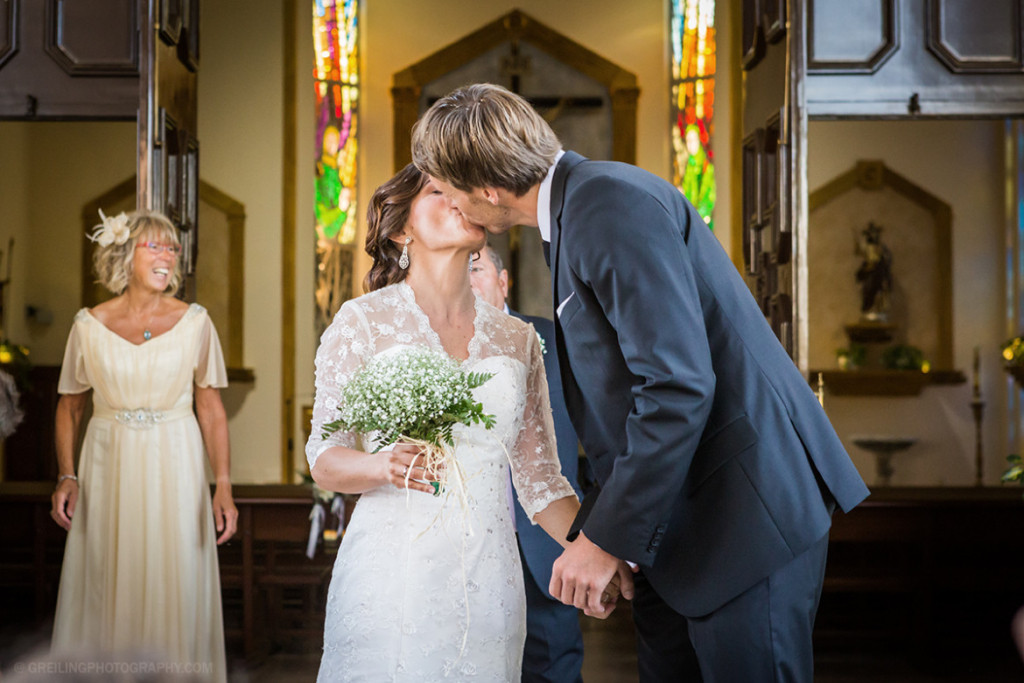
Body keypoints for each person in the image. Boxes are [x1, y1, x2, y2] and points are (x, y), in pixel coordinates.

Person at [412, 83, 871, 682]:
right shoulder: (578, 213)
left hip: (740, 518)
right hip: (683, 530)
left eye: (448, 191)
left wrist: (605, 540)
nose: (451, 205)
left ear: (489, 190)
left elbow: (678, 385)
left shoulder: (606, 203)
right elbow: (621, 403)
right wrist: (618, 536)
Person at [306, 164, 603, 681]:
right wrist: (382, 465)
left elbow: (541, 483)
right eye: (439, 192)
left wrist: (599, 551)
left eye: (463, 190)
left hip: (488, 582)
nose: (459, 201)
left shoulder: (517, 340)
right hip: (389, 574)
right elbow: (325, 461)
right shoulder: (361, 323)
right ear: (402, 229)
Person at [49, 210, 236, 683]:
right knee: (106, 575)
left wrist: (224, 485)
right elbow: (70, 407)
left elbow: (211, 408)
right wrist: (67, 474)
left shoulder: (195, 322)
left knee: (174, 577)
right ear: (124, 254)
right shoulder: (88, 325)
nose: (167, 255)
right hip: (107, 464)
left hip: (176, 459)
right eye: (155, 246)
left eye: (172, 248)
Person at [469, 245, 584, 683]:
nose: (467, 277)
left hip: (541, 535)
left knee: (550, 661)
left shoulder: (555, 339)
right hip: (467, 538)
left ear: (503, 282)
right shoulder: (435, 347)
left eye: (476, 267)